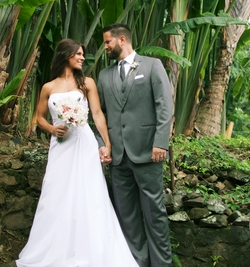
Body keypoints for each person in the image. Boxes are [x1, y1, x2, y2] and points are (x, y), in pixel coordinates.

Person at [16, 39, 137, 267]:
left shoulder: (87, 83)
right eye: (79, 54)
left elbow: (98, 114)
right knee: (55, 192)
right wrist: (52, 128)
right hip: (60, 146)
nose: (82, 58)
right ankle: (55, 250)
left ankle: (90, 250)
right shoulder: (48, 87)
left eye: (83, 54)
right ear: (66, 55)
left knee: (89, 193)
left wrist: (107, 144)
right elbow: (39, 117)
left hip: (83, 143)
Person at [97, 23, 174, 267]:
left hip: (148, 153)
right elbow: (99, 114)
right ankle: (137, 262)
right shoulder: (104, 75)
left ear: (122, 39)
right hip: (118, 158)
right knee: (126, 216)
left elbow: (165, 107)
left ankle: (162, 264)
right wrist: (103, 144)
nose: (105, 47)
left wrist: (161, 142)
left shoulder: (152, 66)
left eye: (107, 42)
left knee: (155, 213)